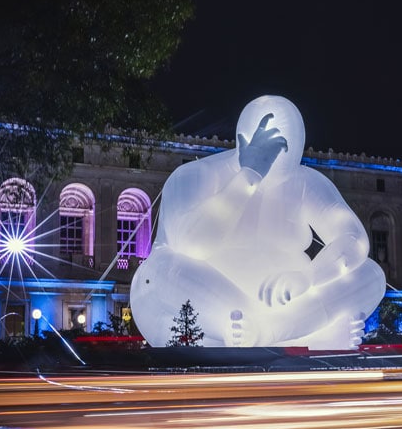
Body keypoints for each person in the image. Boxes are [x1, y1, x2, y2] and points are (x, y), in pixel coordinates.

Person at [130, 95, 385, 348]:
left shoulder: (307, 182)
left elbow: (353, 240)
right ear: (244, 140)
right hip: (203, 304)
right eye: (270, 147)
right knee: (159, 270)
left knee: (370, 274)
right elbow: (193, 244)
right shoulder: (194, 174)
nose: (277, 158)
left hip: (285, 307)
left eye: (285, 148)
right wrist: (248, 176)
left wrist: (310, 277)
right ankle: (294, 334)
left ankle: (270, 332)